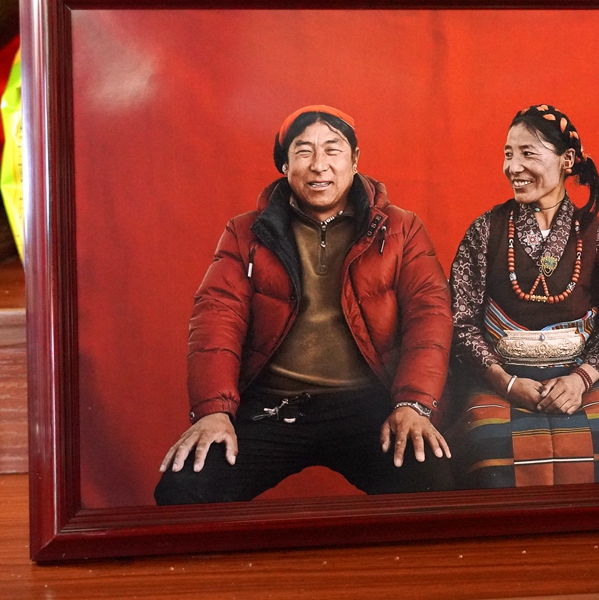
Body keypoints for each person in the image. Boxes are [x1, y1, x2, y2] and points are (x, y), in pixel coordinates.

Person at [155, 105, 453, 504]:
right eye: (304, 151)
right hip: (273, 405)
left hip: (369, 403)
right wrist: (214, 411)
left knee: (435, 481)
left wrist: (413, 404)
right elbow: (216, 318)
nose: (319, 165)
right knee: (184, 489)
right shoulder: (246, 232)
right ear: (285, 165)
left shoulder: (401, 228)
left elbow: (430, 315)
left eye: (332, 149)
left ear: (355, 160)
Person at [448, 104, 599, 488]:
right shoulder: (486, 232)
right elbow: (459, 320)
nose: (513, 167)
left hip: (577, 383)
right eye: (508, 154)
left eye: (527, 153)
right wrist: (507, 383)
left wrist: (580, 380)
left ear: (567, 160)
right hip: (498, 379)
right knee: (485, 454)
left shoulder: (598, 238)